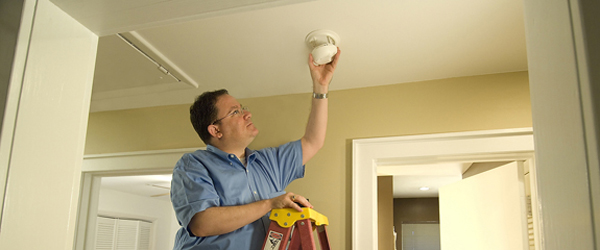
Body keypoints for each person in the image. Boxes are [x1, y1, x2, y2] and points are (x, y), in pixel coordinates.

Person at [170, 48, 341, 250]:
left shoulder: (269, 163)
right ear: (215, 130)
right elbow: (202, 224)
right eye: (235, 112)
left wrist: (320, 87)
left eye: (243, 108)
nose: (247, 114)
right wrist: (270, 204)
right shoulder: (193, 165)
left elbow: (313, 141)